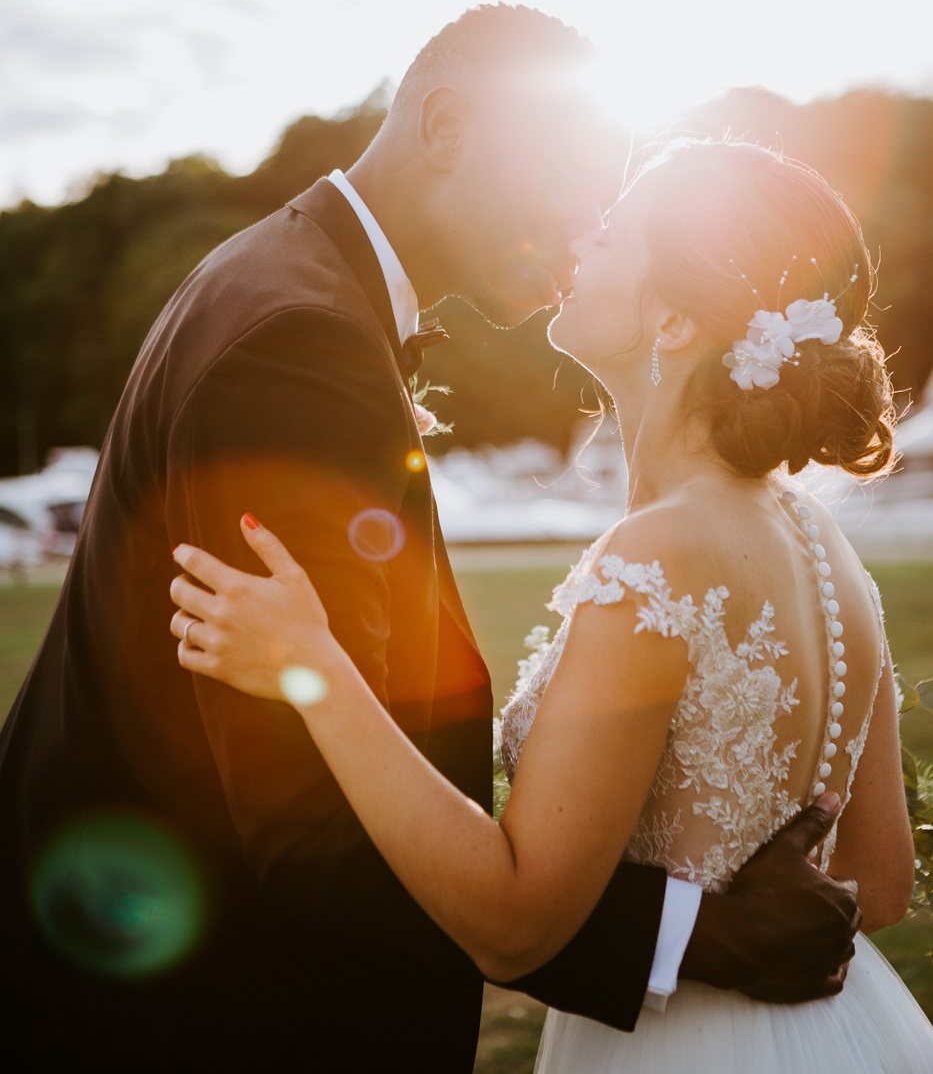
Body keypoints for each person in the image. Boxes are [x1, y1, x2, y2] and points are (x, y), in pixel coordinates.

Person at [0, 7, 855, 1073]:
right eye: (573, 181)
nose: (587, 227)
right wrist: (693, 931)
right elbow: (305, 816)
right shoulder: (295, 341)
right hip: (192, 1002)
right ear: (448, 131)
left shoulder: (290, 280)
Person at [169, 137, 933, 1072]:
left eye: (611, 234)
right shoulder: (827, 548)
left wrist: (314, 667)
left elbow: (514, 925)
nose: (579, 243)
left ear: (676, 322)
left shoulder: (656, 558)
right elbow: (879, 885)